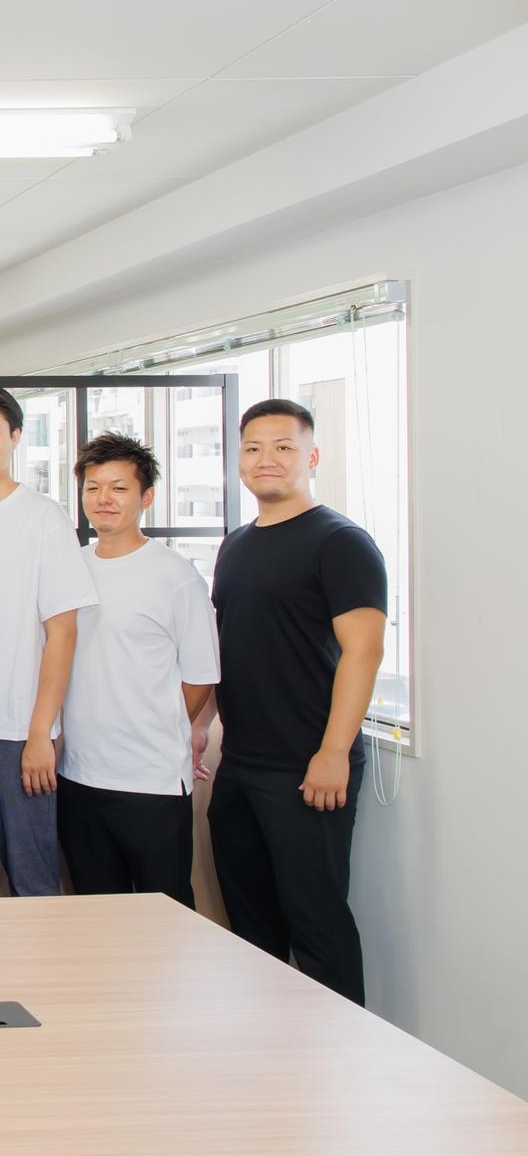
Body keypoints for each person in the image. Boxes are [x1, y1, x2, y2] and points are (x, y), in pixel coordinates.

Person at [209, 399, 386, 1005]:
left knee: (317, 923)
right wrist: (202, 725)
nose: (267, 459)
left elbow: (363, 651)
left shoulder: (340, 542)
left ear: (311, 457)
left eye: (284, 447)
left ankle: (340, 1051)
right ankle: (271, 1045)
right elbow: (233, 644)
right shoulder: (236, 545)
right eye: (254, 448)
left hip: (307, 766)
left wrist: (334, 752)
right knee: (251, 924)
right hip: (241, 763)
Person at [0, 385, 98, 898]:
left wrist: (39, 735)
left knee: (33, 883)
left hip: (16, 735)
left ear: (14, 437)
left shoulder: (44, 518)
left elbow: (63, 633)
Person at [58, 433, 219, 906]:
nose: (103, 498)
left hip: (151, 780)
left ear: (146, 497)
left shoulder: (175, 575)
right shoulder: (70, 568)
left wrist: (159, 722)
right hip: (79, 774)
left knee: (164, 917)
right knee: (95, 913)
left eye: (119, 488)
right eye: (93, 487)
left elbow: (200, 677)